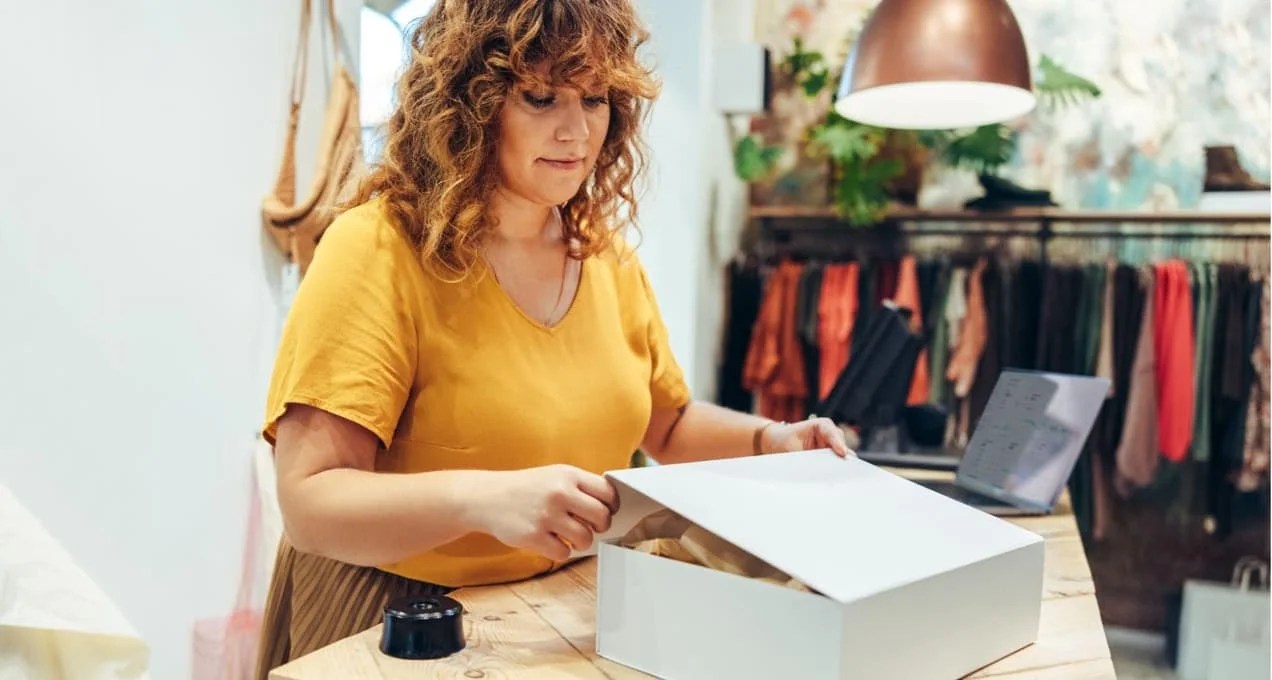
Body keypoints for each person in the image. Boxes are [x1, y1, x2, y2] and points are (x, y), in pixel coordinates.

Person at [254, 0, 851, 676]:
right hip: (394, 614)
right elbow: (310, 504)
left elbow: (669, 424)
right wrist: (486, 499)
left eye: (594, 98)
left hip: (554, 604)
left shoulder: (604, 254)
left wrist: (770, 442)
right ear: (468, 104)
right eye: (540, 97)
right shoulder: (378, 250)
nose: (576, 132)